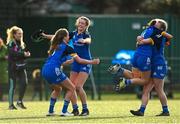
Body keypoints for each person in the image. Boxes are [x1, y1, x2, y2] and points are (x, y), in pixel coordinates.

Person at [42, 16, 94, 116]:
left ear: (86, 26)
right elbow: (57, 36)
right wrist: (45, 36)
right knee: (71, 86)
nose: (80, 25)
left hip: (85, 62)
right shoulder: (72, 34)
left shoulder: (86, 34)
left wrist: (84, 41)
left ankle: (85, 109)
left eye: (83, 23)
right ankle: (75, 109)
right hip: (76, 62)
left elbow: (89, 40)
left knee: (78, 87)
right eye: (79, 23)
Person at [130, 19, 172, 116]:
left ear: (161, 28)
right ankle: (141, 110)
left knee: (158, 89)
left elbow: (169, 38)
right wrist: (139, 38)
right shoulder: (153, 33)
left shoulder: (160, 35)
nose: (155, 22)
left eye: (157, 22)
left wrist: (141, 40)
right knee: (146, 90)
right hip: (151, 64)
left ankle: (165, 111)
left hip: (159, 64)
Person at [6, 26, 31, 110]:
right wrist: (23, 54)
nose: (21, 35)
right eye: (19, 33)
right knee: (12, 86)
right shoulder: (11, 43)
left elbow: (22, 55)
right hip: (12, 68)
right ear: (14, 34)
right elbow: (12, 53)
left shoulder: (22, 43)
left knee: (24, 83)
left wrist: (26, 55)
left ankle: (19, 102)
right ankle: (10, 105)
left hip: (21, 67)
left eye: (21, 34)